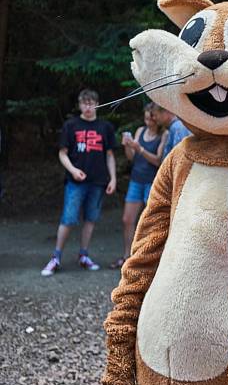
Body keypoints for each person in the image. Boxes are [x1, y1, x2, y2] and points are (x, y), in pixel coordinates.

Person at [41, 89, 117, 276]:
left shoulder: (105, 127)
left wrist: (113, 178)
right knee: (68, 218)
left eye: (91, 102)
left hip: (98, 181)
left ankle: (83, 255)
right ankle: (55, 257)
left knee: (91, 219)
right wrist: (73, 170)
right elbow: (62, 153)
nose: (88, 106)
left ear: (97, 103)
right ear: (80, 104)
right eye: (84, 103)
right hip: (76, 182)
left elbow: (109, 155)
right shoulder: (71, 125)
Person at [109, 102, 168, 268]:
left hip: (152, 182)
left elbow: (158, 160)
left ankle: (150, 258)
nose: (148, 121)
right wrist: (128, 146)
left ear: (156, 118)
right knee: (127, 219)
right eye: (146, 118)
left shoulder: (164, 135)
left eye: (151, 118)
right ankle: (127, 255)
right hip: (136, 180)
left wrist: (139, 148)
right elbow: (131, 157)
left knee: (151, 221)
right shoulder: (140, 131)